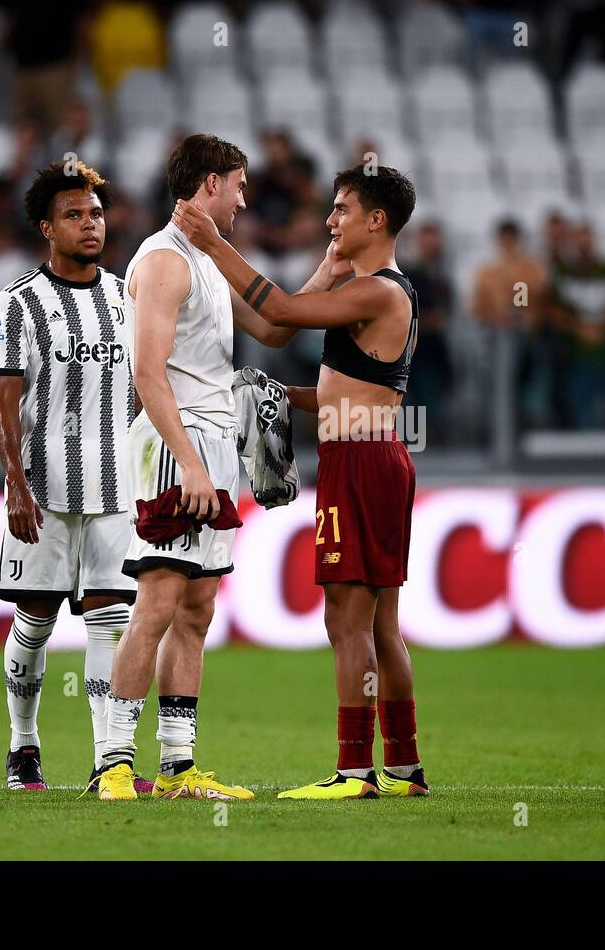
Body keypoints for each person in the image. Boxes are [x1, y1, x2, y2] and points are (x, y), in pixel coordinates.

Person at [173, 166, 429, 800]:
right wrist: (280, 395)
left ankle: (353, 772)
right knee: (381, 627)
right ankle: (403, 768)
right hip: (377, 455)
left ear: (376, 221)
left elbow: (282, 311)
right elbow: (347, 393)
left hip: (361, 465)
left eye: (341, 210)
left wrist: (211, 244)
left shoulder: (377, 292)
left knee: (346, 621)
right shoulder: (388, 291)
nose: (329, 221)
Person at [94, 134, 256, 803]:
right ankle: (112, 766)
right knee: (158, 600)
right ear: (210, 184)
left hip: (214, 444)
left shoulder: (210, 259)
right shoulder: (163, 259)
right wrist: (188, 462)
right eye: (239, 185)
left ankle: (178, 769)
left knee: (197, 607)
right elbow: (147, 372)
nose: (245, 199)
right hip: (175, 444)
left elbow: (270, 324)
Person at [0, 159, 140, 792]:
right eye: (74, 215)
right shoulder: (19, 302)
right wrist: (15, 483)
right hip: (43, 491)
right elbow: (3, 398)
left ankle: (110, 759)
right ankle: (23, 744)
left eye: (96, 214)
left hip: (115, 488)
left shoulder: (126, 295)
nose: (90, 224)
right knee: (37, 618)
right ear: (47, 227)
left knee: (111, 620)